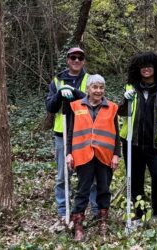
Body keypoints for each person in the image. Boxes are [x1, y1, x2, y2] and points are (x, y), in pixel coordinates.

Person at [118, 52, 157, 224]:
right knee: (135, 179)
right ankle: (139, 213)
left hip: (155, 145)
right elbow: (121, 112)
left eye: (149, 66)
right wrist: (124, 101)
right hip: (132, 143)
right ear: (138, 69)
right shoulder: (130, 88)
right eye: (143, 66)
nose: (146, 69)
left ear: (156, 69)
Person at [45, 47, 98, 231]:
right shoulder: (57, 81)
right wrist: (59, 94)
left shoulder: (89, 80)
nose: (76, 60)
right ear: (67, 60)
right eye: (73, 57)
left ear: (83, 61)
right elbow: (50, 107)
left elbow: (92, 99)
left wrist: (74, 93)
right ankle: (63, 212)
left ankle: (95, 212)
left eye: (80, 58)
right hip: (63, 134)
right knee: (62, 176)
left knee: (90, 176)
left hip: (85, 133)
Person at [64, 74, 120, 241]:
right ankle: (78, 226)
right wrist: (68, 153)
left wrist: (117, 154)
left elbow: (116, 134)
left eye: (101, 87)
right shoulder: (75, 106)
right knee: (82, 191)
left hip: (105, 155)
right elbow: (70, 132)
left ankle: (103, 222)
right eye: (94, 87)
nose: (98, 90)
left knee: (104, 190)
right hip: (83, 155)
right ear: (87, 89)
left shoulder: (112, 107)